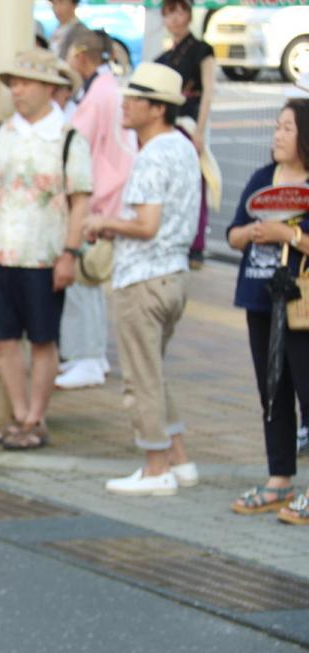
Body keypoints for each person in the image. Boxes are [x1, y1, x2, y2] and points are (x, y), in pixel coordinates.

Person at [0, 48, 92, 450]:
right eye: (13, 83)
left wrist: (70, 253)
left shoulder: (69, 137)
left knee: (41, 338)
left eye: (24, 82)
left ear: (50, 87)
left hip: (44, 254)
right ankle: (19, 415)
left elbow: (80, 201)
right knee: (2, 339)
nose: (16, 90)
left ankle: (36, 417)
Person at [81, 63, 200, 497]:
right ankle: (179, 459)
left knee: (141, 379)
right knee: (155, 371)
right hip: (174, 276)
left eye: (134, 99)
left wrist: (104, 221)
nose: (124, 105)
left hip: (144, 278)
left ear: (157, 108)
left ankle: (155, 469)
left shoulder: (152, 154)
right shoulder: (183, 147)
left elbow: (147, 223)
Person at [226, 100, 309, 519]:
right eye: (277, 127)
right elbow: (233, 233)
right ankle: (279, 478)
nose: (277, 135)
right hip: (260, 300)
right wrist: (251, 233)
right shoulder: (263, 179)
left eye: (288, 128)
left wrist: (288, 234)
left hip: (302, 304)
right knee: (272, 390)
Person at [55, 29, 136, 391]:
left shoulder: (97, 94)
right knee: (92, 279)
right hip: (111, 193)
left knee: (82, 281)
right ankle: (93, 356)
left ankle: (86, 357)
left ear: (82, 55)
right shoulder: (106, 89)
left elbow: (75, 142)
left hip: (98, 195)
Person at [156, 0, 215, 269]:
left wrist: (200, 130)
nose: (176, 18)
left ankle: (196, 245)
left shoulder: (202, 50)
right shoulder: (164, 58)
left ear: (189, 14)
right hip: (166, 125)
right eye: (169, 13)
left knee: (195, 183)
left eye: (180, 11)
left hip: (190, 125)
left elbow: (209, 92)